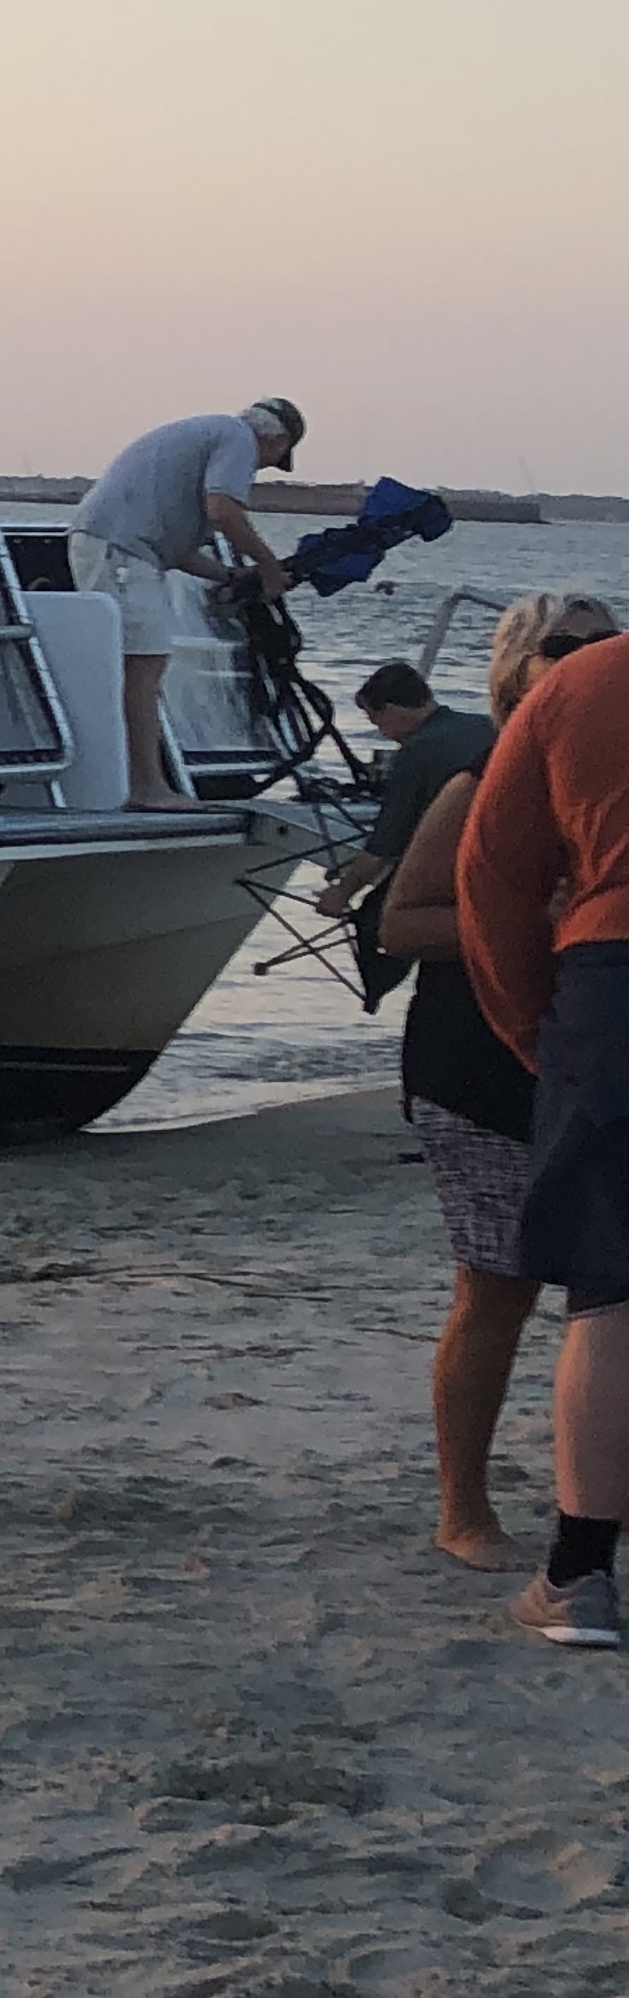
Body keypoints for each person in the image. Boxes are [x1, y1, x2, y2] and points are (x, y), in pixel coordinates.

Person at [379, 595, 617, 1569]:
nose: (586, 663)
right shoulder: (482, 780)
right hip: (479, 1060)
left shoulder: (599, 770)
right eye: (564, 648)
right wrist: (533, 924)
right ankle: (463, 1509)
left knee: (608, 1293)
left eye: (604, 646)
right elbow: (402, 922)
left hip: (589, 1053)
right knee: (498, 1287)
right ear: (515, 670)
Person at [460, 610, 629, 1648]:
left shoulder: (583, 684)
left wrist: (532, 1025)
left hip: (615, 975)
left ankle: (578, 1577)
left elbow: (493, 874)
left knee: (611, 1285)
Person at [67, 400, 304, 811]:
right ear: (276, 439)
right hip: (120, 552)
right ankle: (146, 787)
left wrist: (232, 577)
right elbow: (223, 511)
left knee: (141, 666)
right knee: (142, 668)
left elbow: (175, 552)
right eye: (272, 461)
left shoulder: (206, 435)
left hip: (119, 547)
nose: (259, 471)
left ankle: (140, 780)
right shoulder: (237, 438)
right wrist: (267, 567)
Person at [311, 661, 492, 931]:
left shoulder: (417, 750)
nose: (383, 734)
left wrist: (342, 893)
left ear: (392, 710)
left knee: (375, 921)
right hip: (507, 854)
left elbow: (383, 846)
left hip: (465, 870)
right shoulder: (486, 724)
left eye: (376, 721)